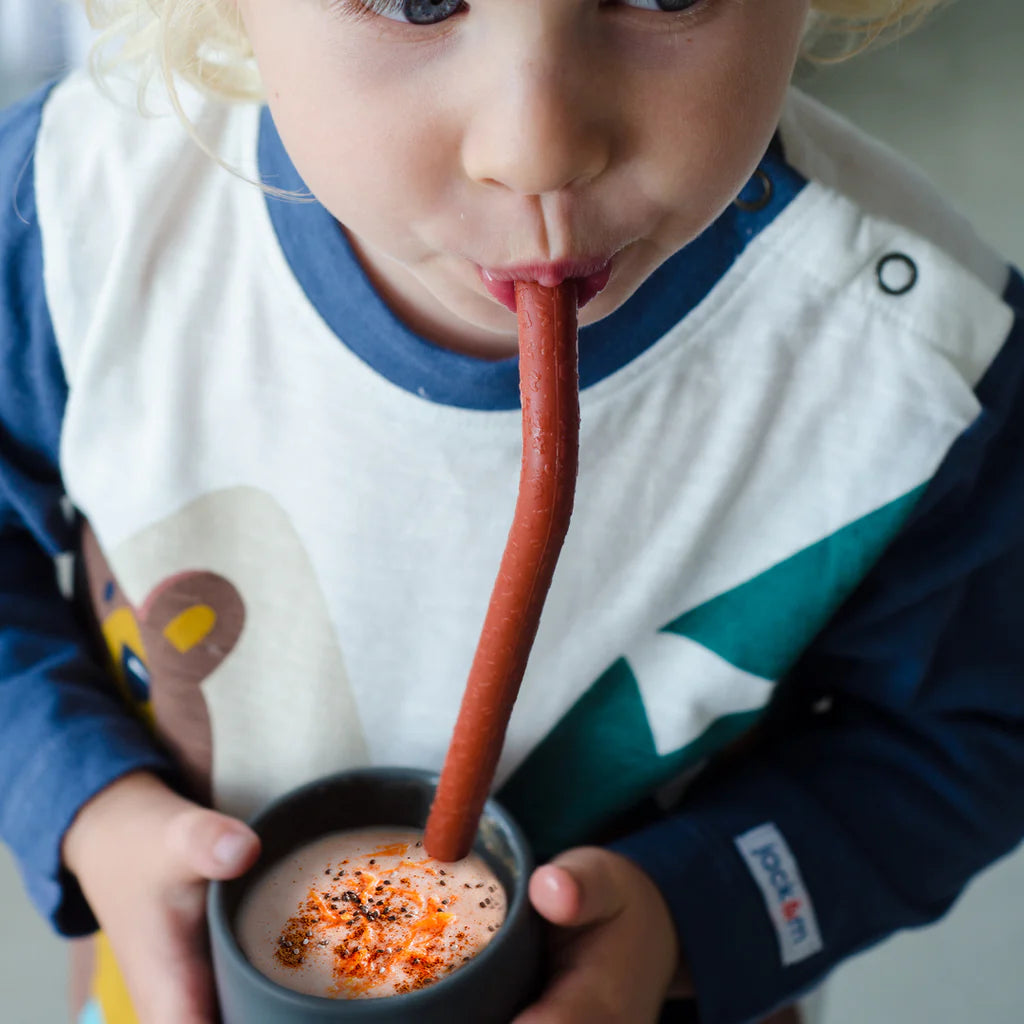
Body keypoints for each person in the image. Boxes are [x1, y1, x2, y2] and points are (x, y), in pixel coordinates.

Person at [0, 1, 1021, 1023]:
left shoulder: (928, 371)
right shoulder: (72, 214)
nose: (537, 147)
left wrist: (686, 912)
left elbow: (968, 731)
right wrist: (85, 803)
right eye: (416, 0)